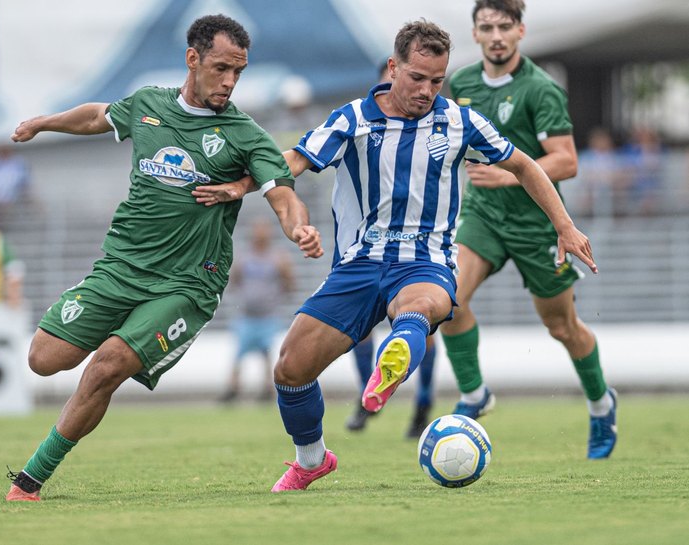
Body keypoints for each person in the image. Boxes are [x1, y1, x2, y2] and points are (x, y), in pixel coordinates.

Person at [194, 19, 598, 491]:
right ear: (393, 67)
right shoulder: (353, 119)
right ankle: (311, 459)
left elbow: (525, 164)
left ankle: (399, 348)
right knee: (290, 366)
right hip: (359, 264)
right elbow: (296, 160)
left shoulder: (459, 121)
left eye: (437, 81)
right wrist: (241, 186)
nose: (427, 90)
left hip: (425, 261)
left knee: (421, 306)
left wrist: (565, 226)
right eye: (417, 78)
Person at [4, 14, 323, 502]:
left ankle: (31, 479)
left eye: (238, 71)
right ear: (192, 59)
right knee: (43, 360)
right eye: (221, 68)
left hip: (187, 285)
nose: (230, 81)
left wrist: (297, 225)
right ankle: (104, 329)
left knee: (107, 365)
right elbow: (98, 116)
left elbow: (280, 190)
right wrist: (45, 123)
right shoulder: (149, 105)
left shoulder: (243, 134)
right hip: (121, 268)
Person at [440, 0, 617, 460]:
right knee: (446, 299)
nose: (496, 35)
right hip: (482, 216)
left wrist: (509, 173)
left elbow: (567, 160)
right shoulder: (459, 83)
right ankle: (475, 394)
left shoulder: (540, 89)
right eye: (487, 27)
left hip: (538, 225)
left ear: (520, 31)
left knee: (561, 326)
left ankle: (601, 404)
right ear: (475, 33)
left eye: (504, 26)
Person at [344, 59, 438, 438]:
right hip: (365, 247)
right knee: (360, 330)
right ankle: (369, 393)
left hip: (420, 248)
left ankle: (423, 403)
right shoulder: (361, 123)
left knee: (422, 324)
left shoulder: (438, 125)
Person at [219, 218, 295, 403]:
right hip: (247, 315)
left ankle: (267, 389)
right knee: (239, 354)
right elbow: (234, 279)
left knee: (267, 354)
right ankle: (233, 388)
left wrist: (273, 297)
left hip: (268, 315)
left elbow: (289, 282)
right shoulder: (245, 257)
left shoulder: (278, 257)